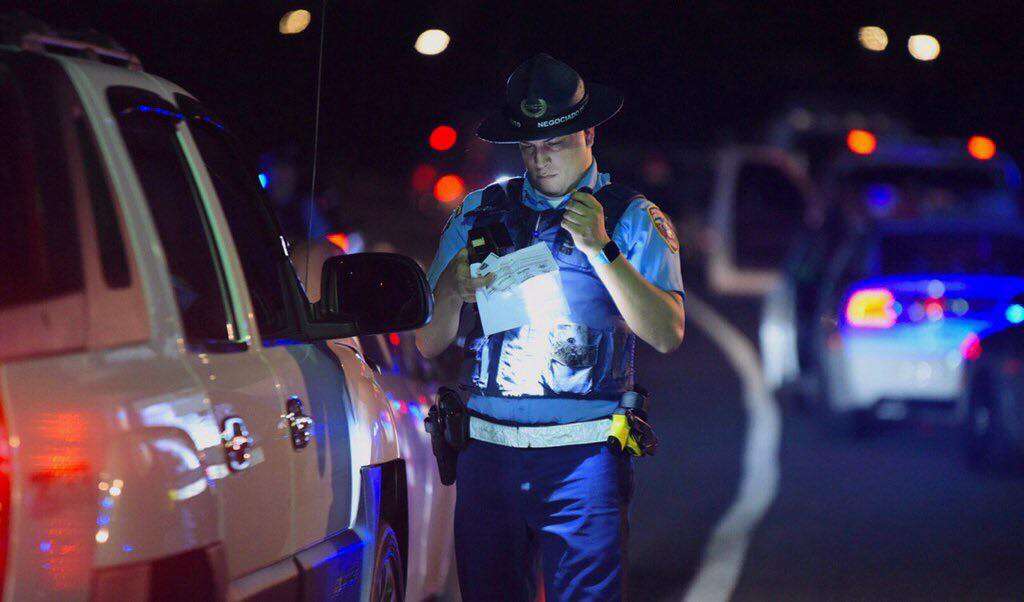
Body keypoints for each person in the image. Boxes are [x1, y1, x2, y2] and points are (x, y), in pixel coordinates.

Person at [416, 54, 685, 601]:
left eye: (555, 142)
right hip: (487, 457)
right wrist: (449, 290)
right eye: (529, 146)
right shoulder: (476, 213)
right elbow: (427, 340)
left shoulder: (634, 218)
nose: (540, 159)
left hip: (583, 464)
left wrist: (602, 250)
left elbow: (666, 333)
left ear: (589, 133)